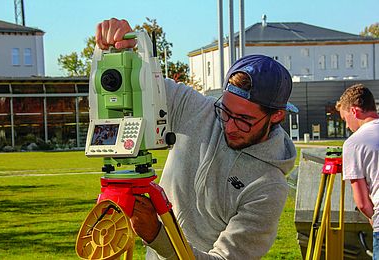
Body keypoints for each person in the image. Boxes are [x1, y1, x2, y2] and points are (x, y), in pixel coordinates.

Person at [95, 18, 297, 259]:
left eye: (244, 119)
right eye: (225, 111)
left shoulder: (269, 187)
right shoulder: (196, 108)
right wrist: (126, 52)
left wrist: (157, 235)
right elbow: (145, 86)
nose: (230, 126)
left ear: (276, 115)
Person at [336, 84, 379, 259]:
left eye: (345, 119)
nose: (347, 126)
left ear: (354, 111)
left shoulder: (354, 143)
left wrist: (373, 219)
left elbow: (362, 202)